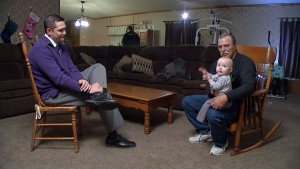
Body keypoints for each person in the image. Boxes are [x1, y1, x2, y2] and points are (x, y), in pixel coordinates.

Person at [29, 14, 136, 148]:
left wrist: (81, 79)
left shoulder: (61, 46)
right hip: (53, 94)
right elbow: (59, 79)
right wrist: (88, 88)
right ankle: (113, 137)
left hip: (65, 85)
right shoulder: (40, 50)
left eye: (65, 29)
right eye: (60, 30)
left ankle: (98, 95)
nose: (65, 33)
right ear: (49, 31)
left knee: (98, 67)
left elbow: (72, 68)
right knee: (103, 94)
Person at [182, 32, 256, 155]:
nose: (223, 49)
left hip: (236, 103)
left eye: (226, 46)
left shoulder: (245, 62)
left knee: (213, 114)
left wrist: (226, 97)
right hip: (215, 97)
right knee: (187, 102)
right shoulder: (217, 63)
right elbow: (209, 85)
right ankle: (206, 132)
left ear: (234, 46)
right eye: (220, 47)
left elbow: (249, 86)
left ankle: (221, 143)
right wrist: (211, 90)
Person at [196, 57, 233, 123]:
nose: (220, 68)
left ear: (230, 70)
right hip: (218, 97)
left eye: (224, 66)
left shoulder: (224, 78)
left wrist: (209, 79)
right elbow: (213, 77)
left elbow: (216, 86)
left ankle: (201, 119)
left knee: (207, 103)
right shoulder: (220, 75)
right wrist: (207, 74)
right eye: (218, 65)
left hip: (225, 101)